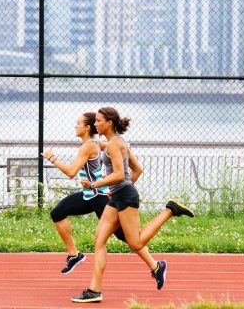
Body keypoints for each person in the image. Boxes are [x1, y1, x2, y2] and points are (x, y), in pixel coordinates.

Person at [71, 107, 194, 303]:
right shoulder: (118, 142)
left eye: (99, 121)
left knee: (135, 242)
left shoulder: (114, 145)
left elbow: (120, 174)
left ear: (109, 123)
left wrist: (95, 184)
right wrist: (119, 187)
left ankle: (170, 210)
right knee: (99, 239)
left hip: (125, 197)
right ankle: (94, 291)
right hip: (118, 196)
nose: (95, 124)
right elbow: (137, 169)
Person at [41, 112, 131, 274]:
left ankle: (154, 264)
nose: (75, 126)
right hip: (88, 195)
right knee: (57, 213)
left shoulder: (88, 146)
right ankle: (74, 255)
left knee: (124, 236)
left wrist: (52, 158)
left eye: (78, 123)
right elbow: (108, 145)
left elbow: (71, 172)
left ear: (87, 127)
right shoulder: (94, 142)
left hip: (98, 196)